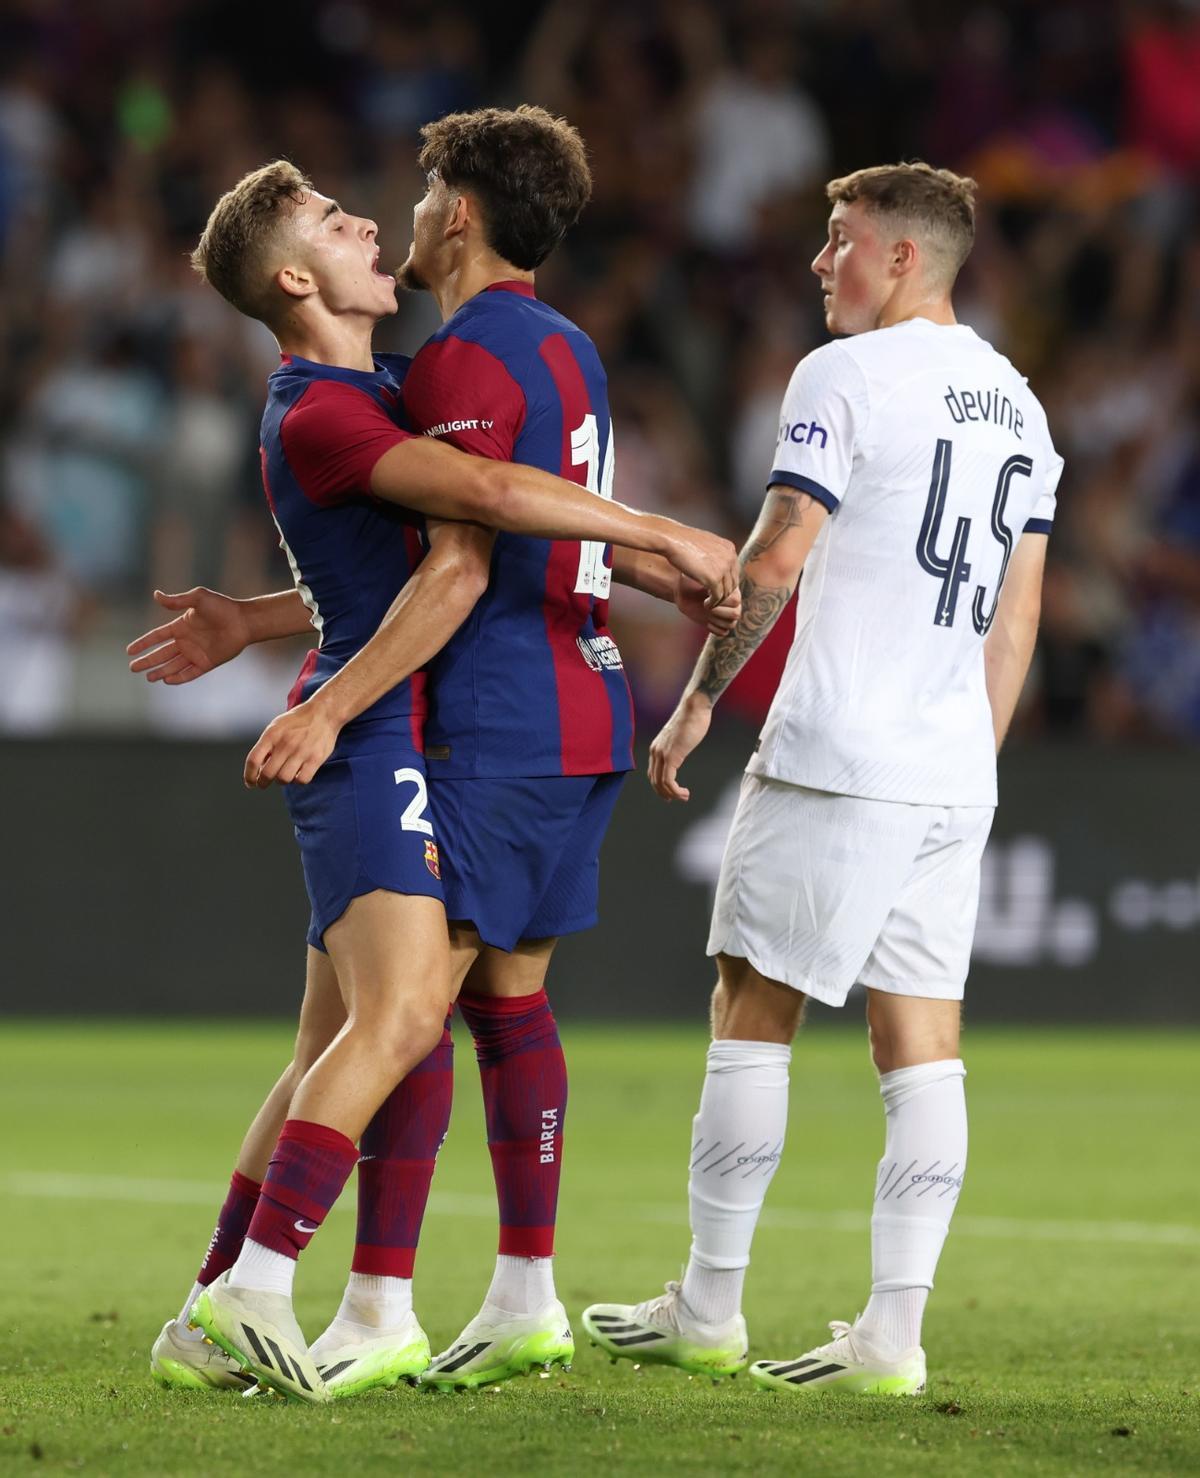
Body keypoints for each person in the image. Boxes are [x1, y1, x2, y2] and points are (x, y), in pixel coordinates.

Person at [135, 116, 739, 1402]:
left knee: (335, 1044)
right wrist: (662, 536)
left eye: (376, 203)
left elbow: (441, 547)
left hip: (397, 718)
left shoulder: (388, 386)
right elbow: (482, 524)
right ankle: (270, 1292)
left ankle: (209, 1305)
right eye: (333, 219)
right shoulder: (323, 408)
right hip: (377, 731)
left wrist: (252, 618)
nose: (369, 218)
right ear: (293, 278)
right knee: (407, 1016)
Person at [583, 162, 1062, 1396]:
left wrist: (701, 695)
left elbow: (779, 551)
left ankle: (709, 1305)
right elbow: (1016, 620)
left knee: (752, 1012)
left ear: (902, 256)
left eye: (840, 238)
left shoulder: (844, 374)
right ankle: (893, 1337)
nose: (819, 261)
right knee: (925, 1046)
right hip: (951, 769)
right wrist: (966, 762)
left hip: (840, 752)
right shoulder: (1021, 407)